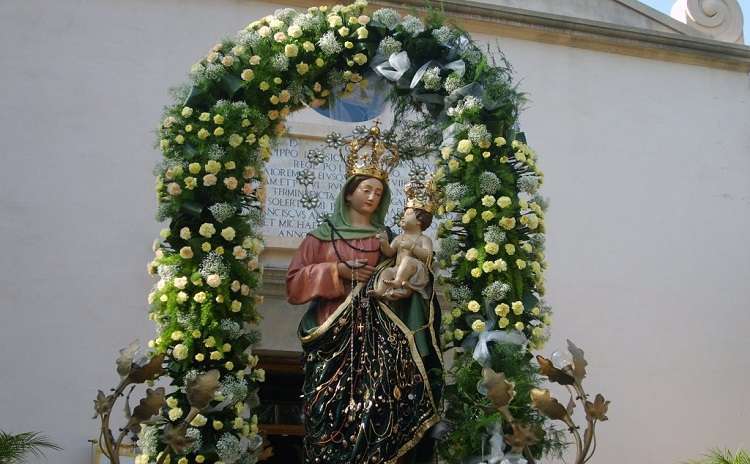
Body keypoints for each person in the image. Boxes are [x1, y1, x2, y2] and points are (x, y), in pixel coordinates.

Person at [286, 173, 444, 464]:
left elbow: (416, 272)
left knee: (379, 408)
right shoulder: (321, 236)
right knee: (329, 412)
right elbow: (294, 285)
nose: (373, 196)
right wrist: (339, 272)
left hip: (380, 340)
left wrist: (406, 285)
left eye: (379, 192)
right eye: (366, 189)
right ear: (348, 193)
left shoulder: (388, 238)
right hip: (332, 333)